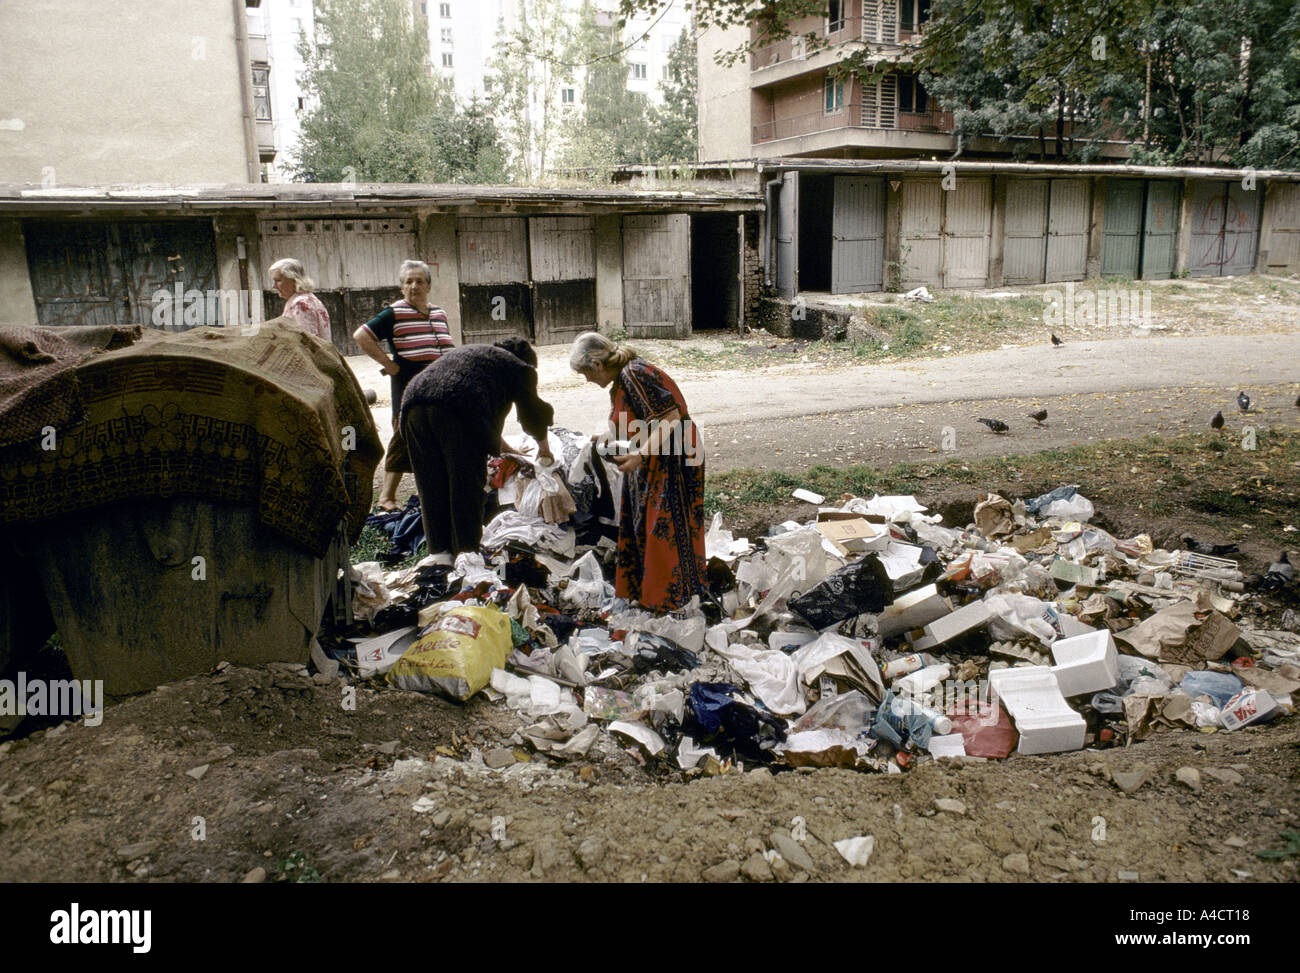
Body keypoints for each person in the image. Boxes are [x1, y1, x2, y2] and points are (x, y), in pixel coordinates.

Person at [568, 332, 706, 613]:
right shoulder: (622, 381)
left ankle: (674, 599)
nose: (587, 380)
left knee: (665, 529)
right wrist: (606, 436)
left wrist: (640, 454)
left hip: (674, 457)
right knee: (643, 525)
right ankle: (652, 595)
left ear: (596, 365)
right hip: (653, 457)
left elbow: (670, 417)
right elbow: (637, 421)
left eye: (585, 373)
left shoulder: (635, 374)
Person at [401, 337, 554, 560]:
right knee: (465, 487)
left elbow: (485, 413)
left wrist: (508, 449)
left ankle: (439, 557)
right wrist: (544, 449)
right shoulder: (520, 368)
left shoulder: (478, 357)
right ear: (529, 363)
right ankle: (467, 556)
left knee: (431, 486)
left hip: (413, 405)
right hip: (455, 411)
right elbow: (533, 414)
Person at [353, 259, 455, 512]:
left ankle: (428, 490)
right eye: (408, 281)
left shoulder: (439, 313)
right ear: (401, 288)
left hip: (439, 381)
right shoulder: (394, 313)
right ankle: (386, 496)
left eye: (419, 281)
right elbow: (361, 335)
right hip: (408, 381)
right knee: (404, 435)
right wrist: (389, 365)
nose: (414, 286)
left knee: (434, 435)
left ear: (429, 285)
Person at [269, 258, 331, 341]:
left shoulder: (300, 304)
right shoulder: (307, 299)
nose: (274, 286)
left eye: (278, 280)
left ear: (294, 280)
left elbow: (307, 343)